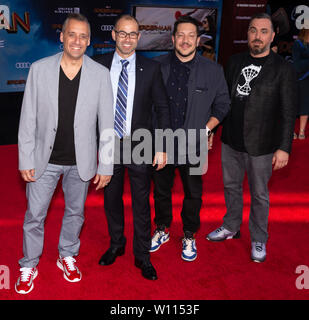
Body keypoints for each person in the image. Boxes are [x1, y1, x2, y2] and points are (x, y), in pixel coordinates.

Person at [15, 13, 114, 294]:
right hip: (43, 161)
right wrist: (25, 158)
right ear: (62, 36)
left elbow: (107, 123)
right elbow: (28, 118)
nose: (77, 40)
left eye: (83, 36)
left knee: (76, 213)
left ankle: (67, 255)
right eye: (72, 34)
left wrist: (106, 164)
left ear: (90, 41)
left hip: (80, 163)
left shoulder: (100, 74)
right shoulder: (39, 69)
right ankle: (29, 263)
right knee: (35, 215)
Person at [207, 13, 297, 263]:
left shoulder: (283, 69)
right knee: (230, 187)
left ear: (273, 35)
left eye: (263, 31)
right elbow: (222, 102)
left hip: (262, 144)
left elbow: (289, 111)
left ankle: (259, 238)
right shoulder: (234, 61)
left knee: (259, 195)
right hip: (231, 140)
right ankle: (231, 226)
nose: (257, 36)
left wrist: (284, 148)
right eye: (253, 30)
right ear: (247, 33)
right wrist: (213, 130)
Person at [94, 15, 170, 280]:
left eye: (133, 34)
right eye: (123, 33)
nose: (128, 39)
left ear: (139, 38)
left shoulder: (151, 68)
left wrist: (162, 146)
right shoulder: (99, 65)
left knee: (141, 202)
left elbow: (162, 108)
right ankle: (116, 244)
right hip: (108, 144)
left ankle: (142, 256)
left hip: (140, 145)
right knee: (111, 198)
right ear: (114, 35)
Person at [149, 15, 230, 262]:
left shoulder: (213, 71)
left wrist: (207, 131)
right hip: (161, 144)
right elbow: (148, 106)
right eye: (181, 36)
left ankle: (188, 234)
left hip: (194, 146)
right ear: (173, 39)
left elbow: (223, 105)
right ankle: (161, 228)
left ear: (198, 41)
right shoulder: (157, 67)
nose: (185, 41)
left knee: (193, 194)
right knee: (161, 191)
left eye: (191, 36)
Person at [292, 27, 309, 139]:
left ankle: (302, 131)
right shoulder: (298, 44)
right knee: (293, 105)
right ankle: (291, 131)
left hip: (307, 80)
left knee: (305, 106)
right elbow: (297, 65)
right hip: (299, 79)